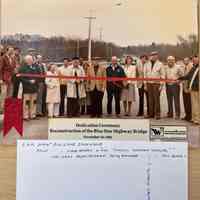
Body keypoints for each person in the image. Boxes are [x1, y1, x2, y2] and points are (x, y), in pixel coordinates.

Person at [178, 56, 200, 124]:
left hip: (197, 89)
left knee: (197, 105)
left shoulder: (197, 68)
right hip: (192, 89)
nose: (194, 61)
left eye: (196, 60)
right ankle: (193, 118)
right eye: (193, 60)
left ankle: (197, 119)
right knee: (193, 104)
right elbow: (188, 76)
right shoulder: (193, 68)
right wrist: (180, 78)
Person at [18, 55, 41, 121]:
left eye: (31, 59)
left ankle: (33, 115)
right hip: (26, 88)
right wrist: (29, 81)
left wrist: (35, 80)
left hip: (34, 88)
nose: (31, 60)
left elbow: (39, 75)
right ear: (26, 60)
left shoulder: (35, 67)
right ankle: (26, 116)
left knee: (34, 102)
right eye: (29, 59)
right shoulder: (22, 68)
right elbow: (21, 78)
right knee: (26, 103)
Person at [144, 52, 165, 120]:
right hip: (149, 83)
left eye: (155, 55)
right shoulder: (147, 64)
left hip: (156, 84)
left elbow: (163, 75)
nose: (153, 57)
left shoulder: (160, 64)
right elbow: (145, 74)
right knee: (150, 99)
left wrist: (161, 85)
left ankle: (157, 114)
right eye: (152, 55)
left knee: (156, 99)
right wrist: (145, 84)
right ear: (150, 56)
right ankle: (151, 114)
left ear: (157, 56)